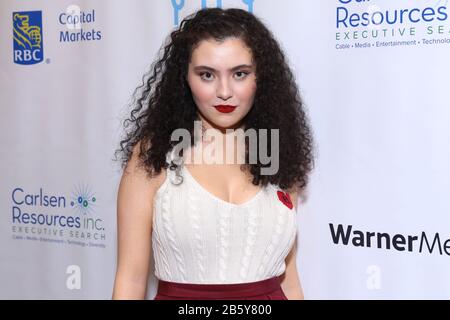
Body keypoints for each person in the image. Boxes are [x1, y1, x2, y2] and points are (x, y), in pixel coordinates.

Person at [112, 7, 314, 300]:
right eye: (207, 75)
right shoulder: (153, 155)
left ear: (261, 77)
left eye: (240, 74)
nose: (224, 91)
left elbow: (289, 280)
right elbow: (130, 281)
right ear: (185, 78)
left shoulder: (279, 153)